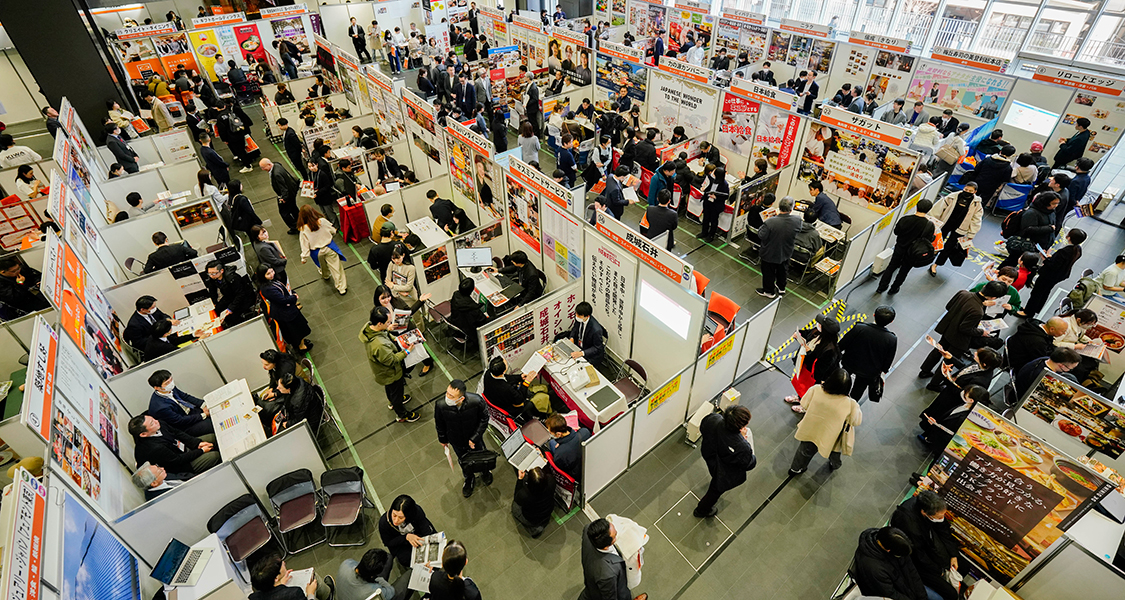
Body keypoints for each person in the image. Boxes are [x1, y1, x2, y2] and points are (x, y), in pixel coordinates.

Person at [918, 281, 1011, 378]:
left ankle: (925, 370)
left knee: (938, 350)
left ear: (984, 286)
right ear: (993, 298)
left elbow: (948, 306)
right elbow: (965, 328)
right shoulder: (978, 311)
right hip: (959, 339)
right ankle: (935, 383)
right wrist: (982, 332)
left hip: (948, 330)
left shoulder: (963, 293)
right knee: (949, 361)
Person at [890, 492, 963, 600]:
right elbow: (919, 556)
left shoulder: (930, 503)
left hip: (926, 543)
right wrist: (938, 571)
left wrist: (953, 554)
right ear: (924, 513)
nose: (942, 518)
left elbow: (943, 529)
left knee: (963, 566)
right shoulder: (910, 526)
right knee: (950, 593)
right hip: (916, 559)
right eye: (939, 517)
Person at [788, 368, 862, 475]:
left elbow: (804, 404)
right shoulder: (851, 404)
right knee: (834, 453)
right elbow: (856, 421)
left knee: (804, 451)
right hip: (832, 435)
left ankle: (795, 469)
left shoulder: (816, 389)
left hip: (811, 430)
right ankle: (835, 465)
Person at [691, 405, 755, 518]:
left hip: (710, 454)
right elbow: (749, 464)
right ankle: (701, 510)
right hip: (724, 471)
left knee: (713, 473)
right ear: (740, 426)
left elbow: (703, 427)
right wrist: (744, 438)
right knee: (715, 489)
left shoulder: (713, 419)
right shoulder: (742, 446)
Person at [362, 306, 420, 423]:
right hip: (391, 373)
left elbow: (384, 335)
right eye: (388, 322)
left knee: (390, 389)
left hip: (384, 374)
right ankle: (402, 414)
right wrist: (407, 351)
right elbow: (392, 360)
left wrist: (389, 332)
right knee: (396, 392)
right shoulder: (379, 345)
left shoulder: (370, 328)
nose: (390, 324)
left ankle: (392, 402)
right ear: (379, 323)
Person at [435, 379, 491, 498]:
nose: (447, 397)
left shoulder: (476, 401)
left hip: (475, 440)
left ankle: (485, 472)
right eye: (447, 393)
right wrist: (443, 440)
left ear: (461, 398)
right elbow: (440, 424)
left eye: (451, 395)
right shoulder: (440, 405)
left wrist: (474, 438)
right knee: (464, 461)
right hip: (456, 440)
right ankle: (469, 479)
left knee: (481, 457)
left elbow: (484, 419)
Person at [1018, 228, 1086, 318]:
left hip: (1049, 275)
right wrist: (1051, 258)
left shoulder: (1064, 251)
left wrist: (1045, 258)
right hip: (1060, 275)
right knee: (1045, 292)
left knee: (1037, 292)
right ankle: (1034, 308)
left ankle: (1028, 312)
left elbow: (1053, 265)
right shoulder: (1078, 249)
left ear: (1069, 237)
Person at [838, 306, 897, 403]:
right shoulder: (891, 339)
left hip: (850, 362)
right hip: (869, 371)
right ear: (891, 321)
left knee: (842, 380)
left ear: (874, 315)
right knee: (858, 389)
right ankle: (850, 405)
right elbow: (888, 359)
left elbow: (843, 344)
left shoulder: (859, 328)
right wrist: (884, 370)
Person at [878, 199, 935, 294]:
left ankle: (881, 287)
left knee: (891, 267)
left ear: (917, 207)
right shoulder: (929, 225)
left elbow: (896, 232)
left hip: (900, 248)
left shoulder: (905, 219)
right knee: (904, 271)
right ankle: (894, 289)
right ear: (929, 210)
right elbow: (928, 239)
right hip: (913, 252)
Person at [129, 415, 220, 474]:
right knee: (214, 456)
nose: (157, 421)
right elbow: (178, 460)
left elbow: (177, 433)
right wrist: (201, 451)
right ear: (143, 434)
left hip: (182, 448)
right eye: (152, 423)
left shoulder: (159, 424)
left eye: (153, 419)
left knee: (213, 438)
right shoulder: (154, 448)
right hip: (181, 465)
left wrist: (197, 443)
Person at [579, 518, 646, 600]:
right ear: (608, 544)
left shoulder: (588, 530)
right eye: (615, 535)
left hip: (592, 585)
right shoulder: (607, 574)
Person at [928, 182, 983, 276]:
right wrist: (932, 221)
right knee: (937, 241)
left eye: (970, 191)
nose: (967, 192)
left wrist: (971, 234)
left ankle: (935, 265)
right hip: (946, 223)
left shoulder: (977, 204)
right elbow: (939, 208)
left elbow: (976, 220)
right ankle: (929, 257)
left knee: (949, 247)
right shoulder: (952, 197)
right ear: (963, 188)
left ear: (975, 192)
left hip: (961, 228)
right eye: (966, 190)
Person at [786, 315, 841, 406]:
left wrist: (809, 352)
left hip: (816, 375)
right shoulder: (817, 333)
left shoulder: (830, 350)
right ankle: (800, 397)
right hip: (807, 366)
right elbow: (807, 333)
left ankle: (805, 405)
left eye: (820, 324)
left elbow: (819, 370)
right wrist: (799, 334)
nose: (818, 324)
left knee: (810, 390)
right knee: (803, 387)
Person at [256, 265, 312, 353]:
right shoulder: (268, 289)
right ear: (262, 276)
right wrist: (294, 297)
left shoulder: (270, 282)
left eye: (272, 271)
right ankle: (301, 346)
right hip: (285, 313)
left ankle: (300, 343)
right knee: (297, 331)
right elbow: (282, 300)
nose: (272, 274)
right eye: (268, 274)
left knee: (296, 330)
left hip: (285, 311)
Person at [756, 196, 802, 299]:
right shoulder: (797, 220)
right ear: (791, 209)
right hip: (786, 251)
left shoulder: (771, 222)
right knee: (783, 270)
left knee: (768, 272)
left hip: (770, 252)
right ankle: (781, 287)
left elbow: (761, 235)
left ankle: (769, 291)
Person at [297, 205, 347, 295]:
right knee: (336, 268)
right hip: (329, 247)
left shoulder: (303, 229)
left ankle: (326, 275)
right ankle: (341, 288)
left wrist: (304, 258)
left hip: (316, 252)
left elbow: (304, 245)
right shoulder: (323, 221)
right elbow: (333, 231)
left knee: (321, 266)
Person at [148, 369, 213, 436]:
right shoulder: (161, 407)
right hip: (183, 427)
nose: (171, 383)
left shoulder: (169, 388)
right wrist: (203, 415)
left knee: (213, 410)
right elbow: (180, 420)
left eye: (171, 380)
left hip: (189, 413)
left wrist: (204, 405)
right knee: (212, 423)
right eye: (167, 383)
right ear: (157, 388)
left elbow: (185, 396)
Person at [335, 548, 407, 600]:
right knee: (408, 577)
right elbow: (391, 591)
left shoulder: (346, 564)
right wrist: (380, 581)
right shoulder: (374, 591)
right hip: (368, 593)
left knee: (389, 557)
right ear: (373, 576)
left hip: (347, 595)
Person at [248, 553, 327, 600]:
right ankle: (329, 595)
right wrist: (310, 593)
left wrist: (280, 584)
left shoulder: (253, 597)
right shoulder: (295, 593)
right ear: (276, 578)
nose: (284, 563)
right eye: (280, 565)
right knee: (313, 578)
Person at [204, 260, 256, 328]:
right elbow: (212, 289)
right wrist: (214, 302)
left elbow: (240, 294)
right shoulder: (213, 277)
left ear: (221, 271)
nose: (211, 276)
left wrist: (231, 308)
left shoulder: (233, 278)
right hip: (229, 296)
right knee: (217, 310)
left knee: (231, 316)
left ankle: (242, 326)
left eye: (213, 273)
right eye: (209, 273)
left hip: (244, 298)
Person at [483, 356, 536, 421]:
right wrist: (527, 382)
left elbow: (506, 377)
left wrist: (520, 377)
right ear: (503, 371)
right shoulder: (506, 388)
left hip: (494, 399)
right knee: (531, 403)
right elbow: (519, 400)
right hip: (507, 408)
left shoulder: (489, 373)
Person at [1015, 347, 1081, 398]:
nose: (1069, 370)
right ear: (1061, 365)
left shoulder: (1045, 359)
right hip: (1023, 396)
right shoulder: (1041, 375)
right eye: (1070, 368)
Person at [512, 465, 555, 538]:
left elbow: (516, 498)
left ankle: (534, 528)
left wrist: (520, 479)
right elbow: (548, 473)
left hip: (531, 518)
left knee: (515, 507)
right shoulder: (551, 481)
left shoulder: (524, 494)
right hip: (547, 510)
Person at [698, 167, 729, 242]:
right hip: (708, 202)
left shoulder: (724, 184)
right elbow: (706, 186)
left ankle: (711, 235)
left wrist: (716, 197)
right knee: (706, 217)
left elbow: (726, 196)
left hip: (716, 205)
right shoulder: (711, 179)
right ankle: (704, 232)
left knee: (713, 220)